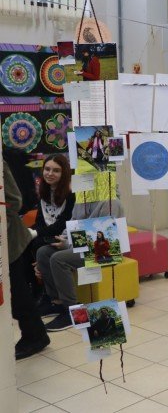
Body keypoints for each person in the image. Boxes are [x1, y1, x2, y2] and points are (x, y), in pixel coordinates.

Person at [36, 199, 125, 332]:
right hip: (80, 246)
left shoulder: (111, 202)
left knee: (58, 259)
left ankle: (72, 310)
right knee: (43, 252)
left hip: (104, 250)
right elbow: (72, 224)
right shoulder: (82, 198)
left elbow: (103, 238)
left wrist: (68, 245)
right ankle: (57, 303)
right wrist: (63, 239)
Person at [5, 160, 50, 359]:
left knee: (17, 292)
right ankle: (36, 334)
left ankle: (35, 336)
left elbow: (13, 200)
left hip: (9, 240)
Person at [31, 154, 76, 320]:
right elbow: (40, 222)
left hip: (67, 238)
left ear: (64, 173)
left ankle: (68, 308)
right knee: (32, 246)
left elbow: (63, 224)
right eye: (47, 169)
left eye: (56, 170)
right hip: (54, 237)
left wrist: (37, 234)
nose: (50, 173)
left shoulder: (71, 194)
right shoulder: (44, 191)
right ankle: (50, 299)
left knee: (47, 252)